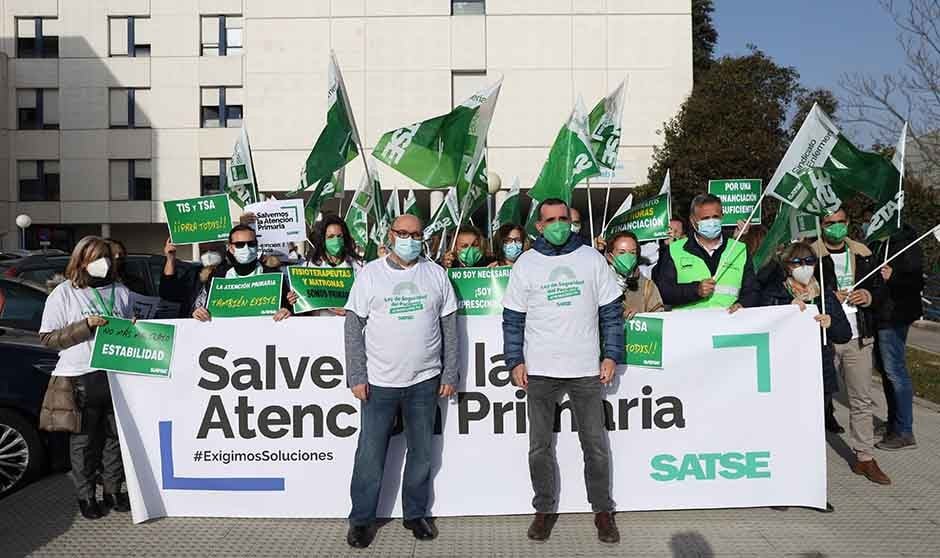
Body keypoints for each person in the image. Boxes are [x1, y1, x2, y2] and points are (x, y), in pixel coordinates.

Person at [502, 198, 624, 544]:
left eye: (563, 219)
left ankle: (602, 511)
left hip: (586, 368)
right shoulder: (525, 264)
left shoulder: (591, 259)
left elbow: (611, 314)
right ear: (538, 226)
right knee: (539, 447)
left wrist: (611, 355)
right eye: (550, 220)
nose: (558, 225)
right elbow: (513, 320)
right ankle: (543, 510)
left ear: (572, 222)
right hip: (540, 369)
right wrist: (515, 360)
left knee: (595, 446)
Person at [343, 214, 459, 549]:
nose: (409, 239)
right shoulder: (370, 275)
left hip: (425, 380)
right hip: (379, 382)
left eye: (416, 234)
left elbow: (449, 326)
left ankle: (415, 514)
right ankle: (362, 520)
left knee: (422, 452)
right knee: (370, 454)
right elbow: (353, 326)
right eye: (403, 233)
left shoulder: (436, 274)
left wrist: (449, 372)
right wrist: (357, 375)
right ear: (390, 235)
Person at [38, 236, 133, 519]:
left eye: (105, 255)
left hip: (115, 375)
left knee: (115, 438)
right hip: (80, 376)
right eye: (94, 257)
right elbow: (48, 338)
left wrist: (134, 328)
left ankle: (114, 489)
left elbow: (126, 327)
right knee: (84, 441)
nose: (102, 262)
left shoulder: (121, 291)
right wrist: (85, 326)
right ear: (81, 261)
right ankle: (86, 495)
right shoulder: (64, 293)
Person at [812, 209, 891, 484]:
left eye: (840, 222)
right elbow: (793, 287)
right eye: (829, 223)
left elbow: (881, 290)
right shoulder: (811, 254)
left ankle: (865, 458)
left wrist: (868, 295)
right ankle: (808, 459)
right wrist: (825, 296)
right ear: (821, 226)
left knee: (861, 400)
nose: (835, 227)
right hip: (824, 338)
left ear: (848, 223)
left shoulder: (863, 253)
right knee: (815, 400)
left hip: (859, 337)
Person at [760, 241, 852, 436]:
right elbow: (762, 318)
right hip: (786, 371)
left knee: (814, 427)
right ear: (787, 266)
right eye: (797, 262)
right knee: (787, 424)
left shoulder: (825, 295)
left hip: (820, 371)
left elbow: (844, 335)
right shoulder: (775, 291)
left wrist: (831, 323)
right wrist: (785, 306)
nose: (804, 267)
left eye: (809, 261)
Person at [655, 194, 759, 312]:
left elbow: (752, 290)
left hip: (729, 325)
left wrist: (743, 304)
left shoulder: (739, 249)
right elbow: (663, 292)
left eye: (715, 217)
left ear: (722, 217)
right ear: (693, 220)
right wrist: (695, 290)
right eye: (705, 218)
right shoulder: (675, 250)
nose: (711, 222)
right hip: (688, 326)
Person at [874, 224, 924, 450]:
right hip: (881, 313)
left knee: (895, 371)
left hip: (894, 316)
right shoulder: (881, 242)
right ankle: (894, 423)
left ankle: (904, 431)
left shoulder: (905, 243)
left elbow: (915, 282)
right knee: (887, 371)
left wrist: (893, 277)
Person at [191, 224, 292, 322]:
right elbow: (199, 306)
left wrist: (287, 310)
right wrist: (198, 312)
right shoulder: (217, 276)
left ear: (257, 246)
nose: (246, 248)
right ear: (231, 248)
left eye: (251, 244)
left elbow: (289, 307)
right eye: (240, 245)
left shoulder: (274, 275)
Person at [287, 215, 363, 316]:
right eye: (331, 237)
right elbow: (302, 307)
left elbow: (367, 301)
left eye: (339, 236)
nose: (336, 241)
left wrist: (350, 311)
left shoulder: (359, 268)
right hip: (319, 327)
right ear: (323, 240)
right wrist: (295, 300)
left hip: (348, 325)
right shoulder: (307, 268)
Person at [160, 239, 225, 318]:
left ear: (223, 249)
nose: (208, 254)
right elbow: (168, 294)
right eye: (203, 251)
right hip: (190, 325)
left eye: (213, 250)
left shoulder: (231, 273)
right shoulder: (194, 273)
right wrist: (170, 259)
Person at [606, 231, 664, 317]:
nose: (627, 257)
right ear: (609, 256)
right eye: (622, 252)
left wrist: (640, 317)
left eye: (632, 252)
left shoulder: (647, 286)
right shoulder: (601, 283)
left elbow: (658, 319)